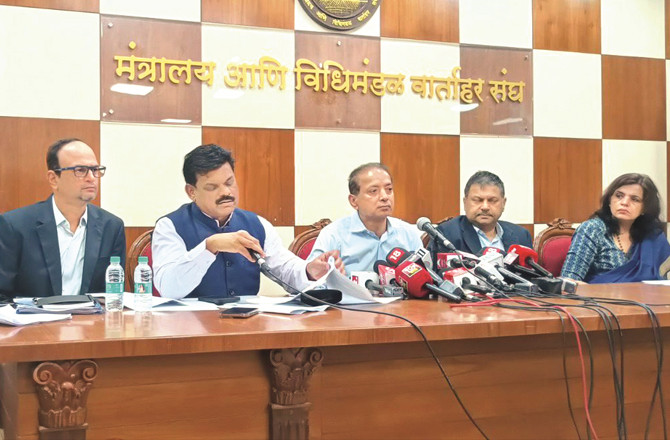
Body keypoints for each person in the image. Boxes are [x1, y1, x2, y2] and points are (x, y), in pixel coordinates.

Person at [152, 144, 343, 299]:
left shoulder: (257, 224)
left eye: (229, 182)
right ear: (191, 192)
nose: (226, 192)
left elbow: (284, 269)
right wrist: (209, 246)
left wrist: (309, 271)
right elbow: (168, 288)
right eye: (212, 187)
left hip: (248, 325)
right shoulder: (170, 226)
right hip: (190, 327)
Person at [0, 138, 125, 298]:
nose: (91, 178)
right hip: (33, 314)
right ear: (53, 179)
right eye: (80, 170)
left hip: (91, 315)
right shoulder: (15, 226)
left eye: (95, 170)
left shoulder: (112, 227)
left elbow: (113, 294)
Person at [307, 163, 422, 275]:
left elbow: (425, 279)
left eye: (389, 189)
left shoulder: (409, 234)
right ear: (353, 201)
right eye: (373, 191)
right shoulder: (333, 235)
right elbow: (312, 279)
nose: (385, 197)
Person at [561, 173, 670, 283]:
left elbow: (661, 283)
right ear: (609, 200)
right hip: (597, 294)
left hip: (646, 295)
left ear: (645, 208)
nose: (624, 203)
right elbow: (568, 281)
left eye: (635, 199)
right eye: (619, 196)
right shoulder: (593, 229)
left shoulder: (653, 237)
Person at [429, 171, 532, 257]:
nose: (485, 207)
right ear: (465, 202)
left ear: (503, 203)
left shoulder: (521, 235)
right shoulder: (446, 235)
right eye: (478, 200)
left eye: (492, 200)